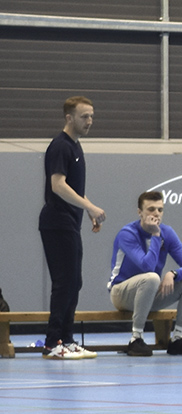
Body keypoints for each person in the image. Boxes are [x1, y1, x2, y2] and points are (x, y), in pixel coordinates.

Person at [38, 96, 106, 360]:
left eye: (91, 116)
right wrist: (90, 207)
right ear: (69, 117)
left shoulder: (76, 147)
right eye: (84, 116)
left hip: (70, 222)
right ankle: (52, 343)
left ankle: (67, 340)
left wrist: (87, 209)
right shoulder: (60, 146)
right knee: (64, 282)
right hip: (57, 222)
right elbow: (58, 186)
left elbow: (74, 189)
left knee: (74, 282)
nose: (89, 121)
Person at [108, 191, 182, 356]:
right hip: (121, 293)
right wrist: (155, 235)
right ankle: (136, 339)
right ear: (140, 212)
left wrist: (173, 273)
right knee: (152, 278)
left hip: (149, 292)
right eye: (151, 209)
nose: (156, 213)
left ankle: (178, 339)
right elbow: (147, 267)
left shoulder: (168, 232)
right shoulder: (127, 234)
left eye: (160, 209)